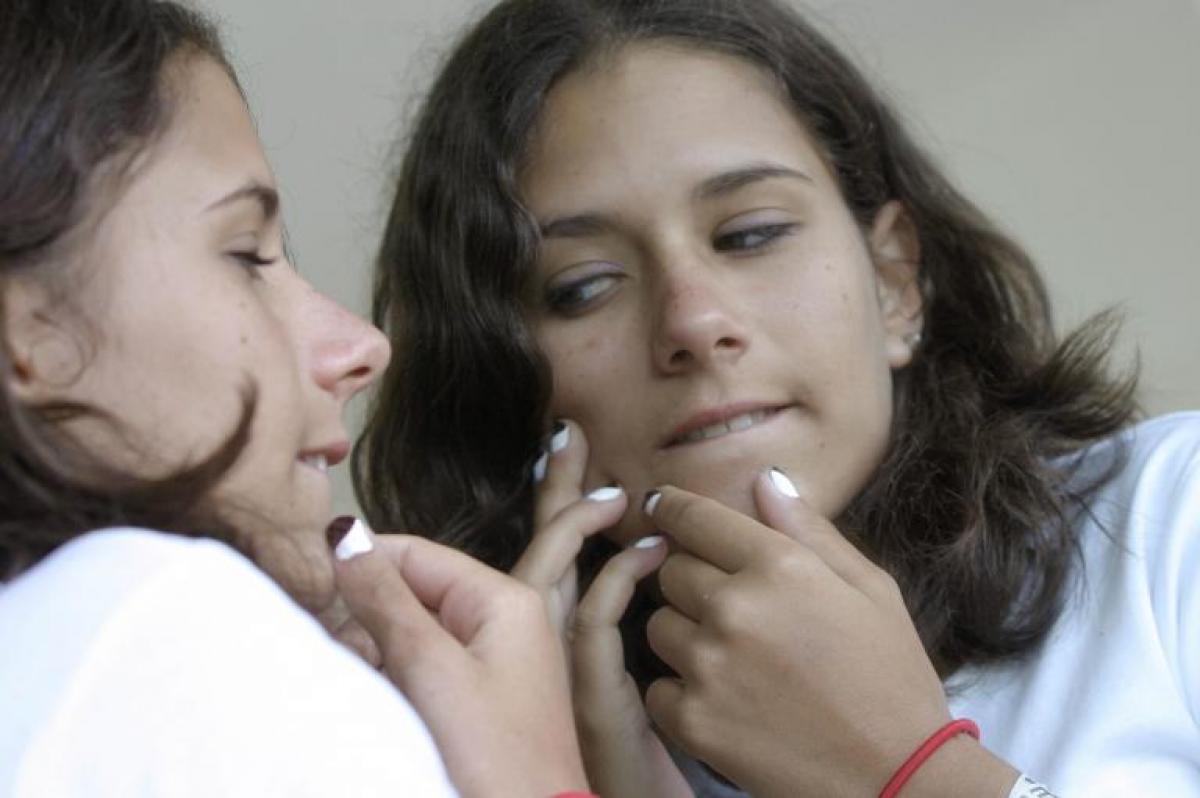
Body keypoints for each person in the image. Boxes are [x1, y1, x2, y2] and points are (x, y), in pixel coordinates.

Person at [356, 0, 1200, 795]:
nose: (694, 321)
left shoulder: (1171, 520)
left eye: (749, 235)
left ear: (894, 283)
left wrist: (907, 770)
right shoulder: (444, 747)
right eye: (584, 286)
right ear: (505, 389)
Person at [0, 2, 595, 796]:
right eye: (247, 256)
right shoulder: (173, 632)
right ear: (29, 335)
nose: (363, 347)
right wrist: (539, 777)